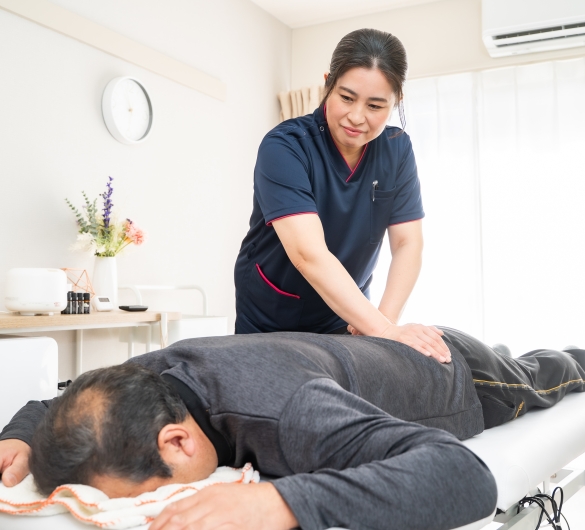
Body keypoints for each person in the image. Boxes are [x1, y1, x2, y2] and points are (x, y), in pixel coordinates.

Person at [2, 328, 585, 529]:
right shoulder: (137, 379)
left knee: (545, 373)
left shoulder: (291, 412)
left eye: (150, 497)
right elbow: (52, 400)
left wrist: (278, 502)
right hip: (347, 358)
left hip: (459, 374)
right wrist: (19, 436)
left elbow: (466, 478)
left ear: (177, 441)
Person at [234, 28, 451, 363]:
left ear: (397, 101)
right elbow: (307, 254)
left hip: (349, 316)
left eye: (375, 105)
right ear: (328, 84)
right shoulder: (286, 147)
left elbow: (408, 243)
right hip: (272, 316)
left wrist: (382, 325)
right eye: (347, 98)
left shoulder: (396, 150)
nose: (356, 117)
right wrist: (382, 330)